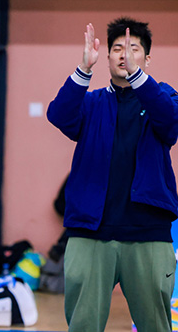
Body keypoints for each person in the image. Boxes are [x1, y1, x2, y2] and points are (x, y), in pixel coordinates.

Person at [47, 17, 178, 332]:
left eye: (133, 49)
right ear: (106, 58)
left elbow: (170, 121)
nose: (124, 55)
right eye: (117, 49)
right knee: (83, 325)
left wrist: (138, 78)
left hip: (148, 232)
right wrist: (83, 69)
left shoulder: (163, 96)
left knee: (156, 326)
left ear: (147, 59)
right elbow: (59, 115)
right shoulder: (91, 103)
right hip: (89, 233)